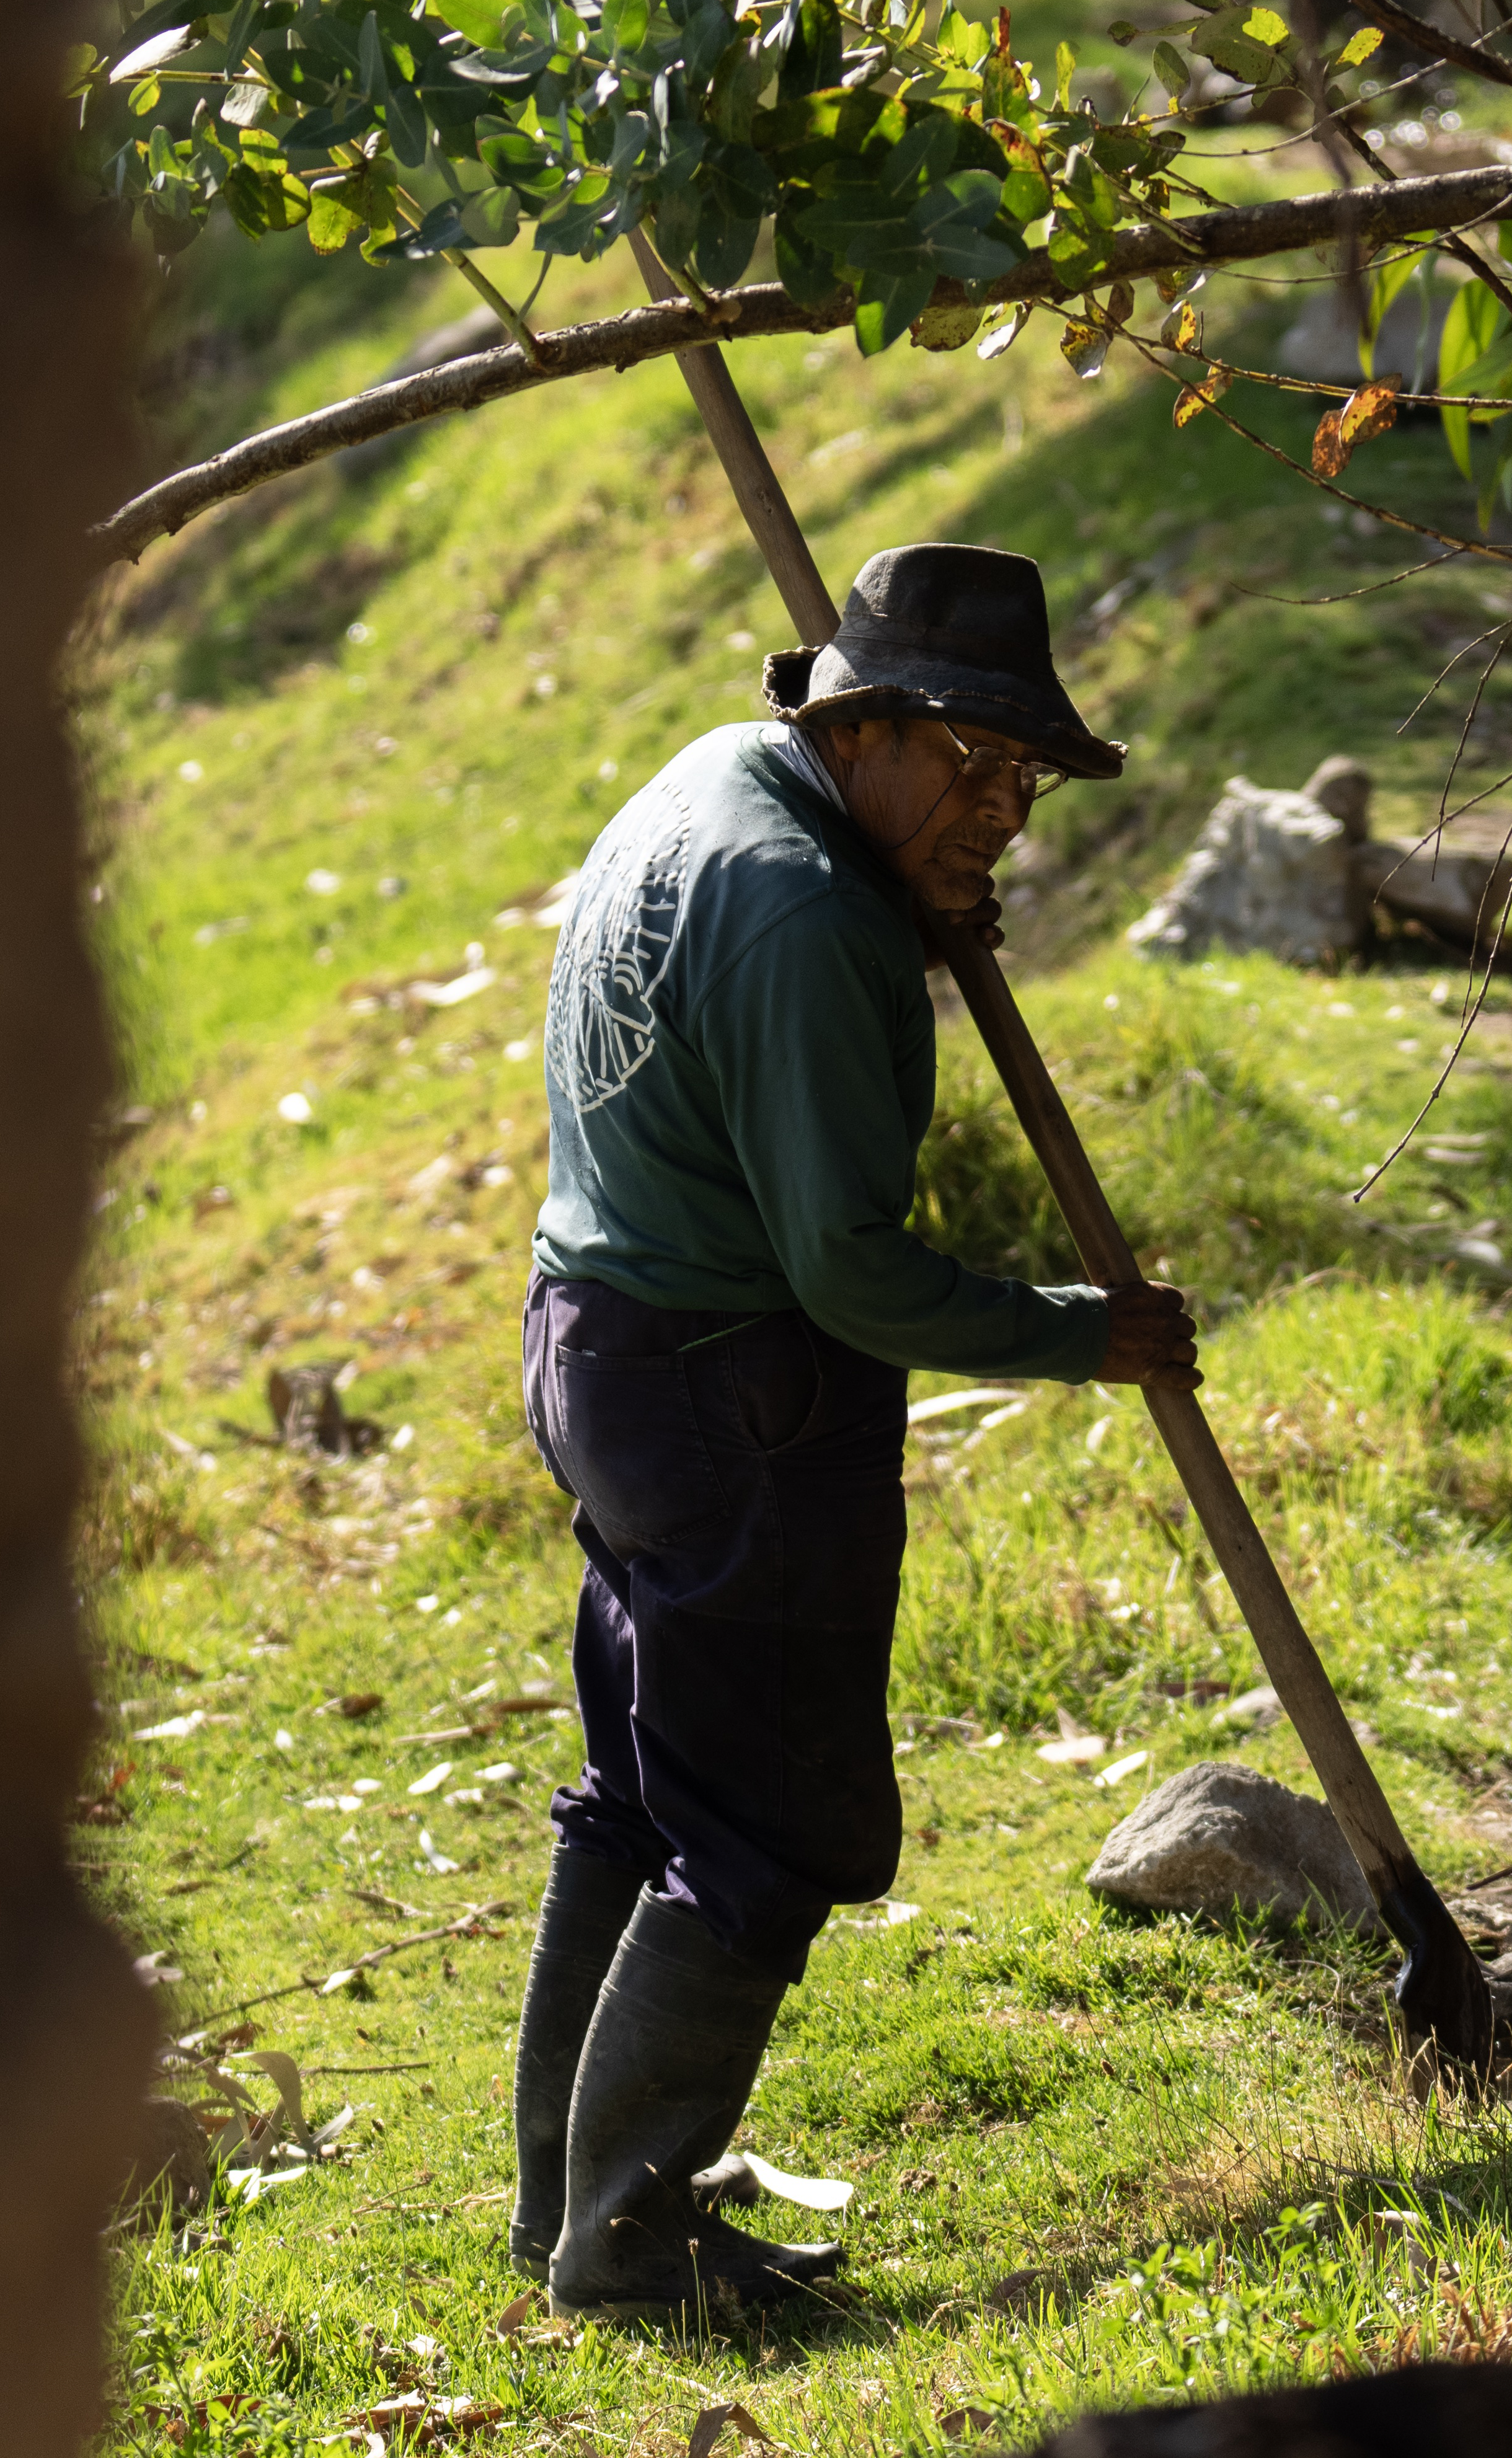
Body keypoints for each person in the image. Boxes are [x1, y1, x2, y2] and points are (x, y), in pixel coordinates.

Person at [507, 543, 1199, 2321]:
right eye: (967, 770)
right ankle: (628, 2255)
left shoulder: (710, 787)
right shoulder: (815, 920)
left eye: (1023, 782)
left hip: (594, 1342)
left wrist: (914, 893)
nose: (1002, 816)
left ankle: (566, 2217)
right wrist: (1078, 1333)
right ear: (861, 725)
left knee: (645, 1795)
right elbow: (855, 1275)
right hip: (737, 1387)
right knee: (757, 1830)